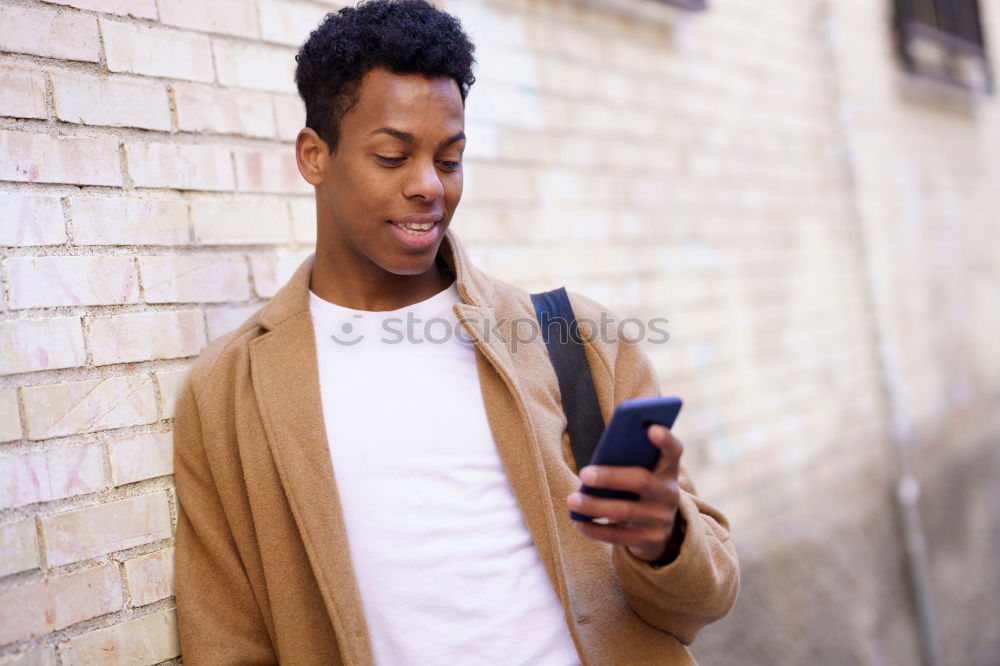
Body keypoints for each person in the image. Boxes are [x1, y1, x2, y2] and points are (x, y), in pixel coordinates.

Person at [172, 1, 739, 663]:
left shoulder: (573, 339)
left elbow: (708, 597)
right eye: (391, 157)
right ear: (314, 156)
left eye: (449, 160)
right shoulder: (231, 392)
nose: (427, 188)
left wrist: (663, 539)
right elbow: (226, 640)